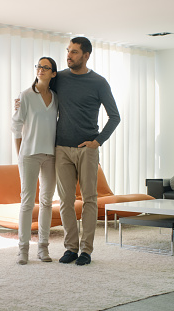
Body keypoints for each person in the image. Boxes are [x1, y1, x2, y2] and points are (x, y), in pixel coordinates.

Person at [54, 37, 120, 266]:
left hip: (87, 149)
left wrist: (98, 141)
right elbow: (39, 96)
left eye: (74, 52)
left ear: (86, 55)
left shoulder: (99, 82)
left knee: (90, 200)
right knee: (65, 200)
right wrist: (20, 104)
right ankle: (70, 248)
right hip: (61, 148)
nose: (69, 55)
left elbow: (115, 116)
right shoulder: (59, 78)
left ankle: (86, 251)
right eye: (68, 51)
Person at [11, 57, 59, 265]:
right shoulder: (26, 96)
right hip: (29, 154)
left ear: (53, 73)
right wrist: (20, 153)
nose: (40, 70)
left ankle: (43, 247)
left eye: (45, 67)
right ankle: (23, 250)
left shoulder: (57, 98)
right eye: (38, 66)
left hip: (50, 155)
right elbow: (16, 126)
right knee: (27, 202)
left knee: (47, 201)